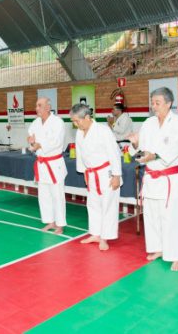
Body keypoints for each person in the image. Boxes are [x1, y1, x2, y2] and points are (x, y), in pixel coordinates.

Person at [128, 87, 178, 272]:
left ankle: (175, 256)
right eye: (152, 102)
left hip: (167, 178)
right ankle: (158, 249)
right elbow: (141, 149)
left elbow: (174, 149)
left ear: (169, 103)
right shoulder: (148, 123)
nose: (154, 106)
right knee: (152, 216)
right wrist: (136, 144)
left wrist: (152, 156)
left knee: (171, 218)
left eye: (157, 103)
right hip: (151, 178)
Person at [70, 103, 122, 251]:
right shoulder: (80, 132)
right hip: (91, 173)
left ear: (87, 117)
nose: (75, 124)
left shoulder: (103, 131)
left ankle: (105, 237)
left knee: (108, 205)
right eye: (73, 121)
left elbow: (114, 153)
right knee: (93, 204)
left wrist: (116, 175)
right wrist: (84, 171)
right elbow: (80, 154)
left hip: (107, 172)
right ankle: (95, 233)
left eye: (77, 121)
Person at [28, 97, 67, 234]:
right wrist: (32, 143)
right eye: (36, 105)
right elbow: (31, 139)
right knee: (43, 195)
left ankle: (60, 224)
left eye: (39, 105)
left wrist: (40, 144)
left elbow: (56, 142)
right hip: (41, 163)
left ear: (48, 107)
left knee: (57, 195)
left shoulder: (58, 122)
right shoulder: (35, 123)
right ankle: (50, 222)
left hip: (54, 163)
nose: (36, 108)